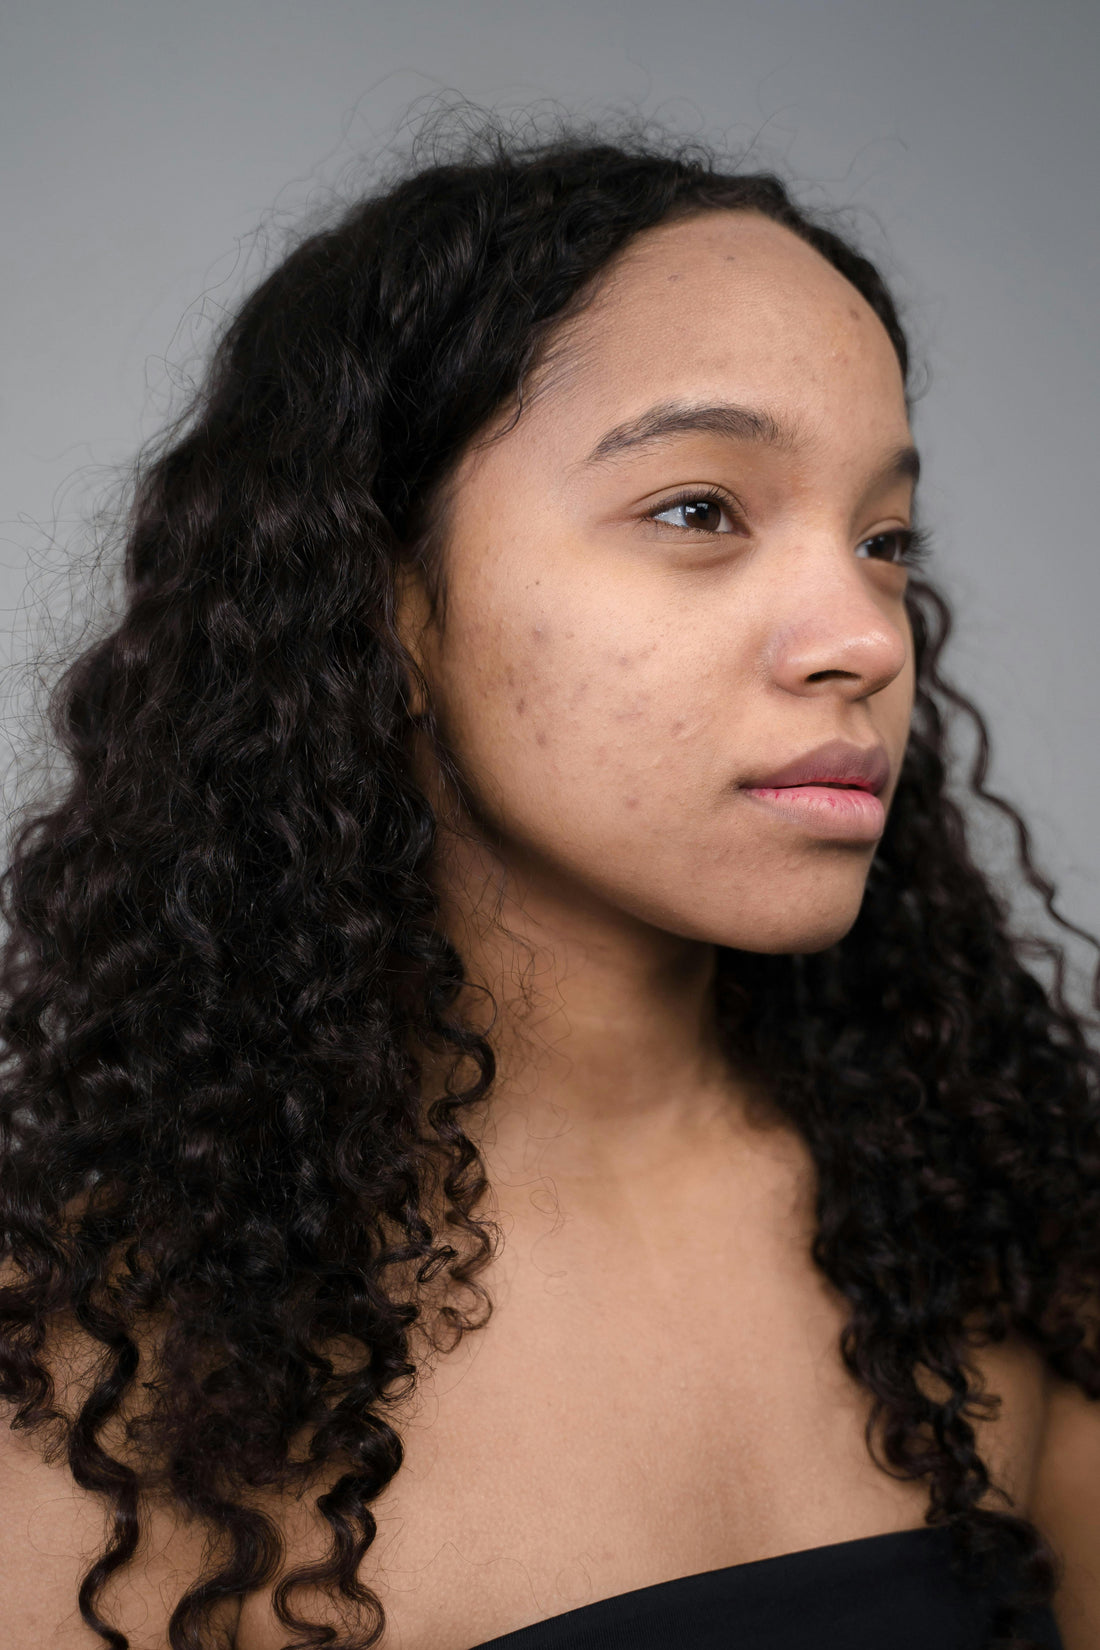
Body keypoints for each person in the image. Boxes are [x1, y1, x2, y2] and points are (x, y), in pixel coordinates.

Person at [0, 112, 1097, 1650]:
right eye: (701, 509)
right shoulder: (100, 1392)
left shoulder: (1000, 1233)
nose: (865, 634)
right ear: (381, 594)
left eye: (885, 536)